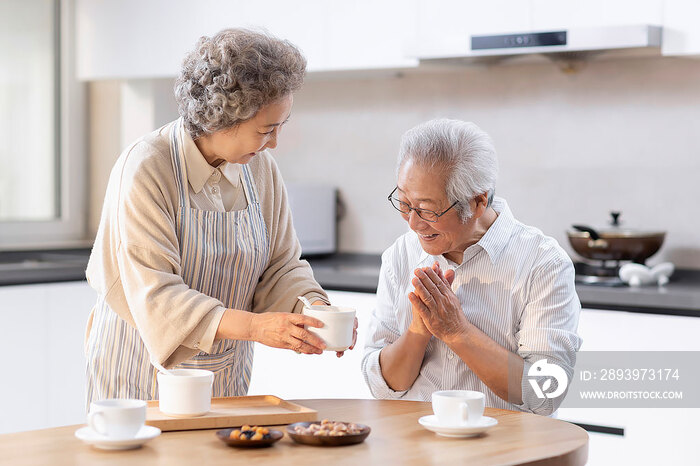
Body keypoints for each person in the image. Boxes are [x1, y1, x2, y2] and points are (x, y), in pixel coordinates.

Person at [85, 28, 355, 405]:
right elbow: (157, 293)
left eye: (281, 126)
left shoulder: (261, 170)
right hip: (138, 376)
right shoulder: (147, 167)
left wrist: (315, 312)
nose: (274, 143)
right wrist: (257, 327)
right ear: (222, 119)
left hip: (224, 375)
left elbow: (280, 266)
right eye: (267, 129)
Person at [361, 119, 581, 415]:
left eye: (427, 209)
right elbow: (380, 385)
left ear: (478, 202)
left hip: (506, 452)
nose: (413, 223)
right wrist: (418, 330)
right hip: (414, 449)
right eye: (404, 203)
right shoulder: (400, 255)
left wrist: (457, 331)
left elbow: (545, 394)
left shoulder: (543, 263)